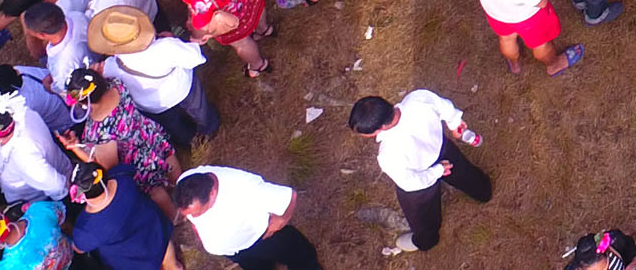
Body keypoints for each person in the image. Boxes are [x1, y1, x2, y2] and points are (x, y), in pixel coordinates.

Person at [348, 90, 490, 252]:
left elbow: (411, 183)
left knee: (422, 216)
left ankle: (426, 241)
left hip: (422, 176)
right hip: (441, 149)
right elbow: (445, 107)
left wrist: (437, 171)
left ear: (381, 128)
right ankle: (484, 192)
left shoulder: (388, 154)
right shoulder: (418, 98)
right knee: (465, 173)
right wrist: (455, 124)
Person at [173, 167, 319, 270]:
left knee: (300, 257)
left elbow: (289, 196)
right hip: (235, 252)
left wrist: (281, 220)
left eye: (197, 213)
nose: (192, 218)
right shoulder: (185, 182)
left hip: (262, 238)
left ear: (212, 193)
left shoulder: (245, 189)